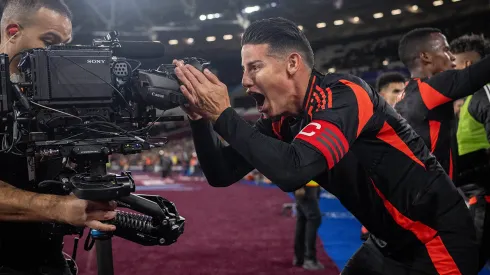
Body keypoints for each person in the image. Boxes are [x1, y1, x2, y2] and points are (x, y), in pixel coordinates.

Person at [174, 17, 478, 274]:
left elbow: (293, 169)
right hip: (387, 242)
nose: (245, 81)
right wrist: (201, 120)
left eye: (254, 67)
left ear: (292, 63)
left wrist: (223, 115)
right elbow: (221, 173)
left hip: (436, 238)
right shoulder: (281, 120)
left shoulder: (345, 94)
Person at [0, 1, 117, 274]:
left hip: (50, 262)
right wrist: (58, 207)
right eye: (49, 41)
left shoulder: (53, 101)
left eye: (64, 44)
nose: (58, 55)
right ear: (12, 31)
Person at [394, 28, 490, 180]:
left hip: (415, 186)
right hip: (433, 193)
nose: (451, 57)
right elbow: (477, 74)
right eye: (446, 50)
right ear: (425, 56)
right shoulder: (430, 88)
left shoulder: (404, 94)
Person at [450, 33, 490, 271]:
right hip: (475, 194)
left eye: (452, 63)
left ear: (465, 65)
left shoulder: (485, 93)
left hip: (484, 197)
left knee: (463, 264)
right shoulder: (473, 95)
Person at [293, 180, 323, 270]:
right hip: (307, 185)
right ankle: (309, 258)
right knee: (314, 218)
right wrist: (299, 185)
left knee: (303, 219)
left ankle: (300, 257)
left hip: (309, 184)